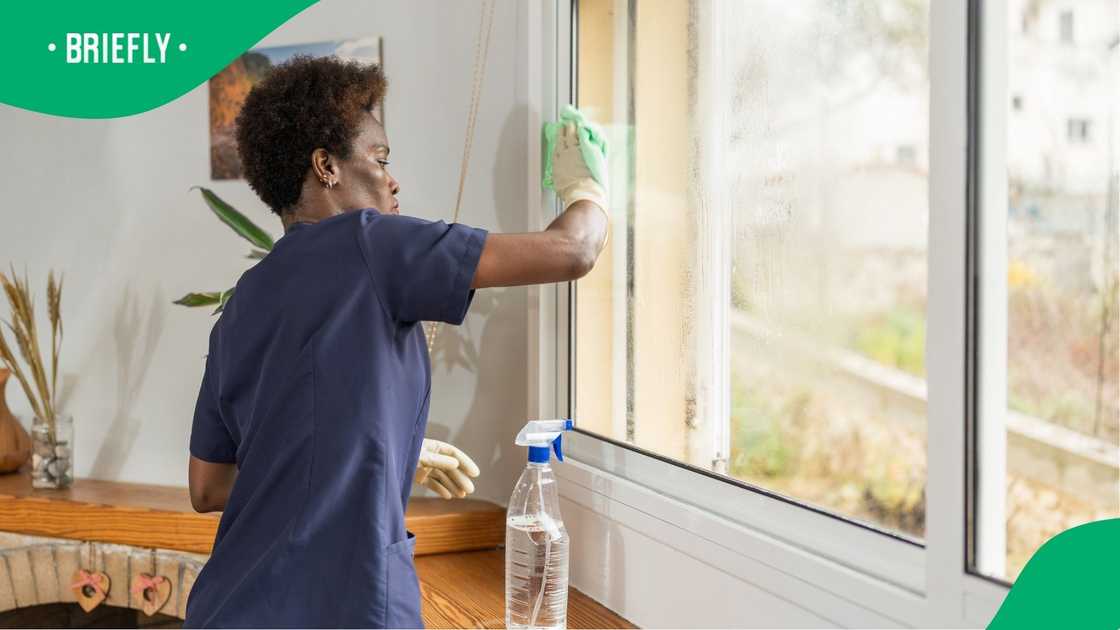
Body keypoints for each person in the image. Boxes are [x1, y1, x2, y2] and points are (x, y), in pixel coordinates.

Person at [182, 55, 607, 628]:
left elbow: (208, 487)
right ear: (325, 166)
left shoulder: (241, 306)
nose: (393, 178)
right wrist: (589, 191)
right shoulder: (370, 243)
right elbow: (573, 251)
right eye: (380, 159)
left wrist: (371, 460)